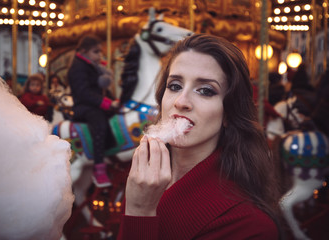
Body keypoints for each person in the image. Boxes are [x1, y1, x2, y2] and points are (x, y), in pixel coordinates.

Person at [117, 34, 283, 239]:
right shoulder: (143, 179)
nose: (181, 101)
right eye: (175, 86)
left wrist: (141, 212)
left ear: (228, 113)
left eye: (205, 90)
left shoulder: (250, 226)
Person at [67, 34, 119, 188]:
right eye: (96, 52)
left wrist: (114, 101)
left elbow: (100, 90)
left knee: (119, 117)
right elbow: (83, 93)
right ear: (83, 51)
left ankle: (112, 152)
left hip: (93, 104)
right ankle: (99, 167)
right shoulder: (77, 67)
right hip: (83, 107)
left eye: (100, 52)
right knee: (100, 123)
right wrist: (106, 103)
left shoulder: (92, 67)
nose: (99, 56)